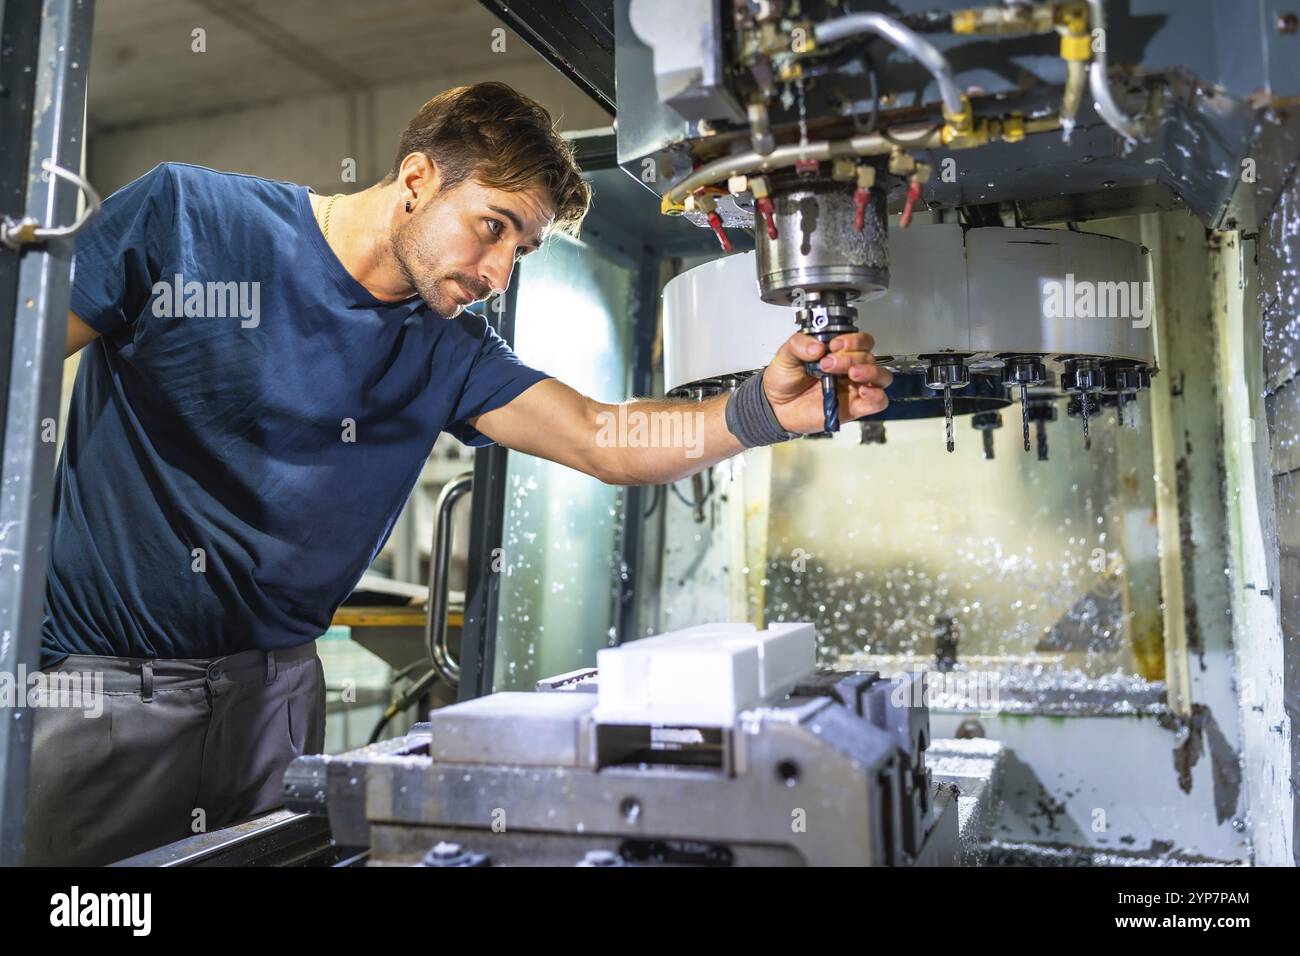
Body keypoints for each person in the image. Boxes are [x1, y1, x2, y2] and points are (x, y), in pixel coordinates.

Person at [27, 81, 891, 865]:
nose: (498, 272)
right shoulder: (187, 219)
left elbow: (601, 435)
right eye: (493, 226)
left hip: (280, 697)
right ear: (415, 179)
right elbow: (16, 362)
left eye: (523, 248)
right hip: (107, 691)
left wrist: (762, 411)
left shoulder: (448, 349)